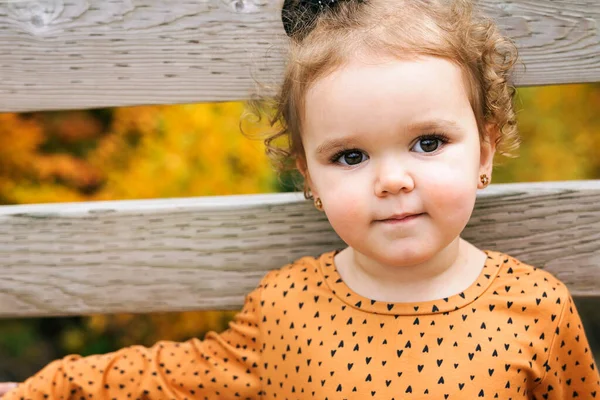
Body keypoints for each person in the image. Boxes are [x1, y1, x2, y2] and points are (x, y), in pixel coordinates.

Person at [3, 0, 600, 398]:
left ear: (486, 151)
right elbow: (171, 376)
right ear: (309, 177)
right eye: (350, 156)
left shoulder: (536, 308)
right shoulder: (286, 304)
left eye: (427, 142)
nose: (392, 181)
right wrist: (35, 389)